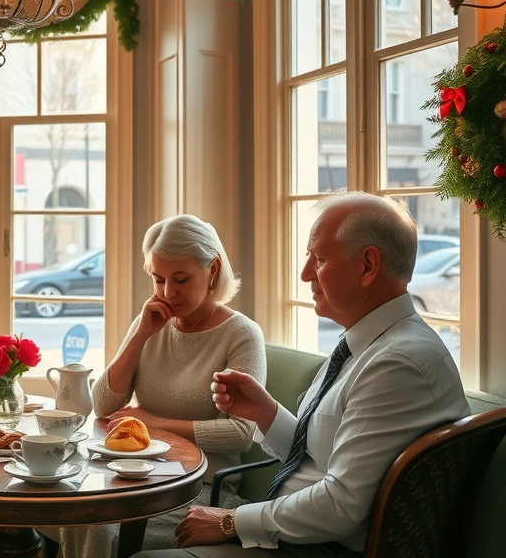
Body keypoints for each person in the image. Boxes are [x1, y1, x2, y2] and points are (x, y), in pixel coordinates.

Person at [134, 192, 470, 558]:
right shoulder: (370, 345)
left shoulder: (396, 364)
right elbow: (330, 456)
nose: (305, 272)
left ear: (368, 265)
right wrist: (267, 414)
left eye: (319, 258)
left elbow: (340, 506)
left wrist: (231, 521)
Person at [51, 214, 267, 557]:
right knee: (60, 507)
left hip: (198, 489)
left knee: (95, 523)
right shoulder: (151, 321)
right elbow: (104, 405)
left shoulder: (241, 334)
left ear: (212, 270)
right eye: (158, 278)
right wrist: (141, 335)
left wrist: (155, 423)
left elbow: (242, 432)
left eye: (181, 279)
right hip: (134, 476)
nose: (168, 292)